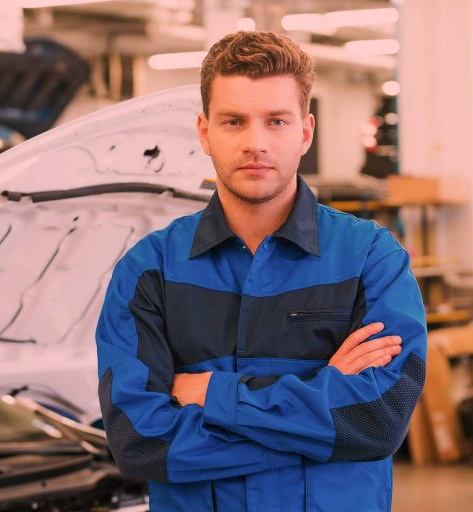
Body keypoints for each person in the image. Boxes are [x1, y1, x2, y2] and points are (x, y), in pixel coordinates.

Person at [95, 30, 427, 511]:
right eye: (234, 121)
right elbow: (139, 442)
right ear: (205, 133)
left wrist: (211, 394)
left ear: (305, 132)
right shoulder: (149, 271)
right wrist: (319, 409)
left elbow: (377, 420)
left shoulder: (370, 258)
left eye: (276, 121)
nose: (255, 143)